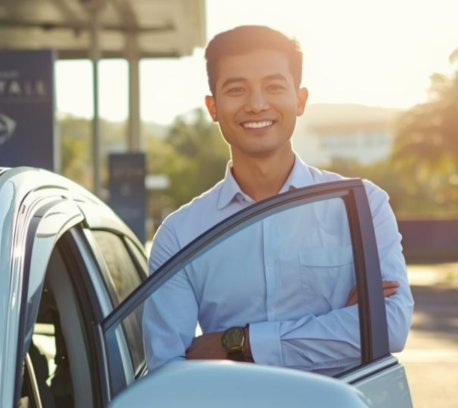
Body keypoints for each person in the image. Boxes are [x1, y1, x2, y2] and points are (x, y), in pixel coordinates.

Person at [143, 25, 413, 375]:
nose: (256, 104)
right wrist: (341, 326)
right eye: (237, 89)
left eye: (273, 87)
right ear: (213, 107)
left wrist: (238, 342)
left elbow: (388, 327)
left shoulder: (362, 206)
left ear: (300, 100)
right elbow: (170, 370)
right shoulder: (181, 235)